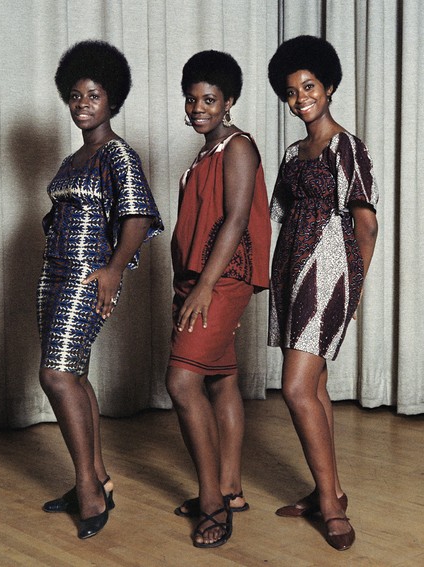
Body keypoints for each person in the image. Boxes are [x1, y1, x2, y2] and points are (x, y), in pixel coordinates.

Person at [37, 39, 163, 540]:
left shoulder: (118, 154)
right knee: (76, 377)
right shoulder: (72, 161)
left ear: (113, 100)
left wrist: (112, 272)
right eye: (75, 95)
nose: (82, 104)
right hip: (53, 274)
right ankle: (97, 479)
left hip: (89, 274)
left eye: (93, 95)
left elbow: (137, 216)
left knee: (56, 376)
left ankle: (88, 488)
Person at [266, 35, 379, 551]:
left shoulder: (346, 146)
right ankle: (327, 489)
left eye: (309, 87)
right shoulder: (293, 151)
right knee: (314, 388)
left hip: (330, 269)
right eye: (290, 92)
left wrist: (351, 289)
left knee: (294, 388)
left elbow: (366, 225)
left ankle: (332, 508)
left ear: (329, 87)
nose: (300, 98)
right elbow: (280, 216)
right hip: (293, 267)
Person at [165, 50, 271, 548]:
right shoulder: (203, 154)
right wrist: (183, 281)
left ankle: (210, 501)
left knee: (182, 381)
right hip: (195, 279)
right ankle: (230, 488)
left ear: (229, 102)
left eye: (209, 99)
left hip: (223, 278)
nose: (198, 108)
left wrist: (204, 287)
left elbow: (233, 220)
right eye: (192, 99)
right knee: (221, 380)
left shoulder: (238, 147)